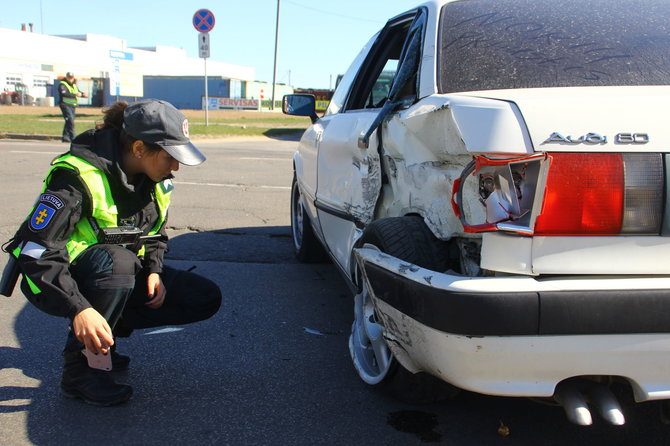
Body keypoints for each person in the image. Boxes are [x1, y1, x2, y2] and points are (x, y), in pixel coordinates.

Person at [3, 99, 222, 406]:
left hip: (114, 274)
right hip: (56, 281)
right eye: (170, 156)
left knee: (204, 297)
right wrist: (79, 308)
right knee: (117, 263)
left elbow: (156, 234)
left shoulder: (156, 181)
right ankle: (79, 372)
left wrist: (154, 271)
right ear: (138, 149)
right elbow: (35, 251)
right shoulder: (76, 177)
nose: (176, 166)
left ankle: (105, 335)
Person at [58, 72, 88, 143]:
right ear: (66, 77)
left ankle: (65, 137)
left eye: (71, 78)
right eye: (69, 78)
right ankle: (73, 137)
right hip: (65, 104)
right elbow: (64, 93)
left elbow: (78, 92)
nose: (70, 79)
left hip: (72, 105)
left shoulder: (74, 85)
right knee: (70, 120)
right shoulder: (63, 84)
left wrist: (83, 94)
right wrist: (76, 94)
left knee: (69, 121)